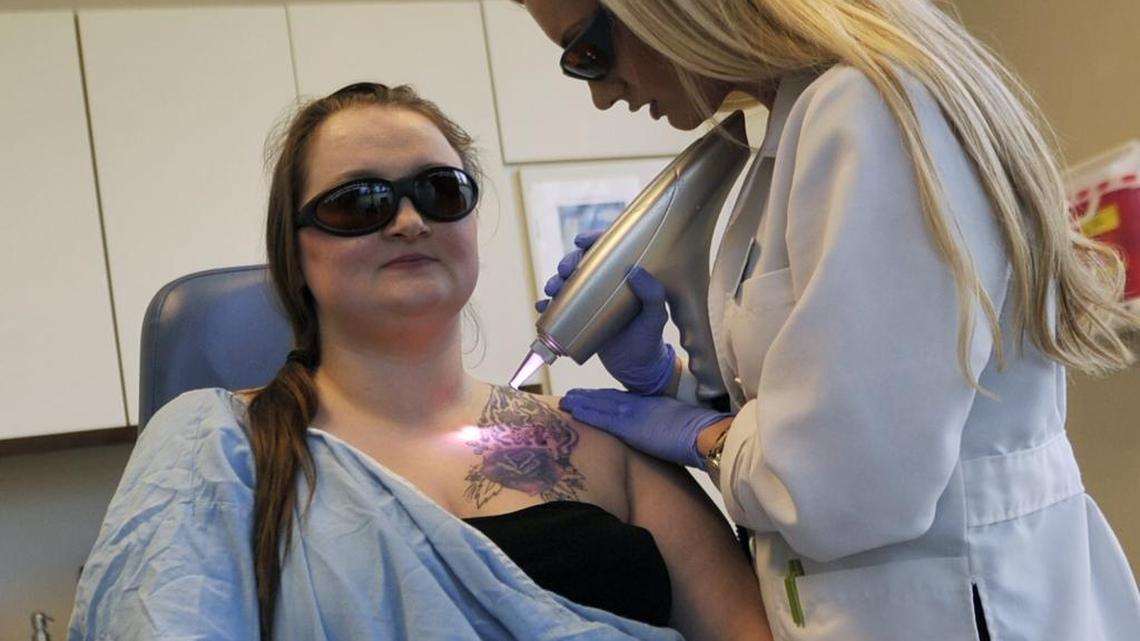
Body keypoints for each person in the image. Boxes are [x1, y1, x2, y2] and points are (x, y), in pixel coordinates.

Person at [516, 1, 1140, 640]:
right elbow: (817, 403)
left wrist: (700, 433)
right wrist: (670, 383)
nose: (600, 96)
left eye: (587, 55)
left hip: (964, 607)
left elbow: (850, 489)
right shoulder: (785, 140)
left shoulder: (870, 111)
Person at [68, 82, 771, 641]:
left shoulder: (602, 438)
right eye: (358, 204)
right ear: (297, 252)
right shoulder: (217, 450)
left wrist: (692, 395)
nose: (408, 221)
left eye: (440, 192)